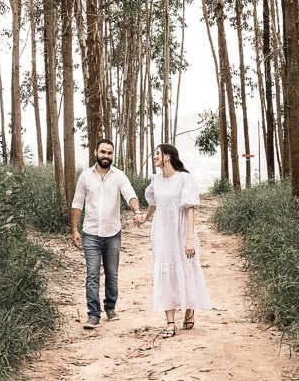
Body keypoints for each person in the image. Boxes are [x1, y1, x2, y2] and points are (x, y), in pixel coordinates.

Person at [135, 143, 212, 338]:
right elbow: (154, 203)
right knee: (164, 269)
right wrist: (145, 218)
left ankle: (188, 309)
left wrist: (190, 239)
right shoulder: (156, 180)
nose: (155, 157)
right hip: (161, 231)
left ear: (167, 156)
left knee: (185, 268)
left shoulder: (184, 179)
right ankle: (170, 322)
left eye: (157, 154)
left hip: (181, 229)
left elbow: (190, 208)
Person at [71, 139, 144, 329]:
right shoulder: (85, 176)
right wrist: (74, 229)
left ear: (113, 155)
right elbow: (77, 203)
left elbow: (130, 195)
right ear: (96, 152)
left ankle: (110, 308)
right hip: (91, 233)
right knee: (92, 274)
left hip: (112, 233)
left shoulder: (119, 176)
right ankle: (93, 315)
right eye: (103, 152)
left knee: (112, 274)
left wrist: (136, 211)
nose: (106, 156)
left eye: (109, 153)